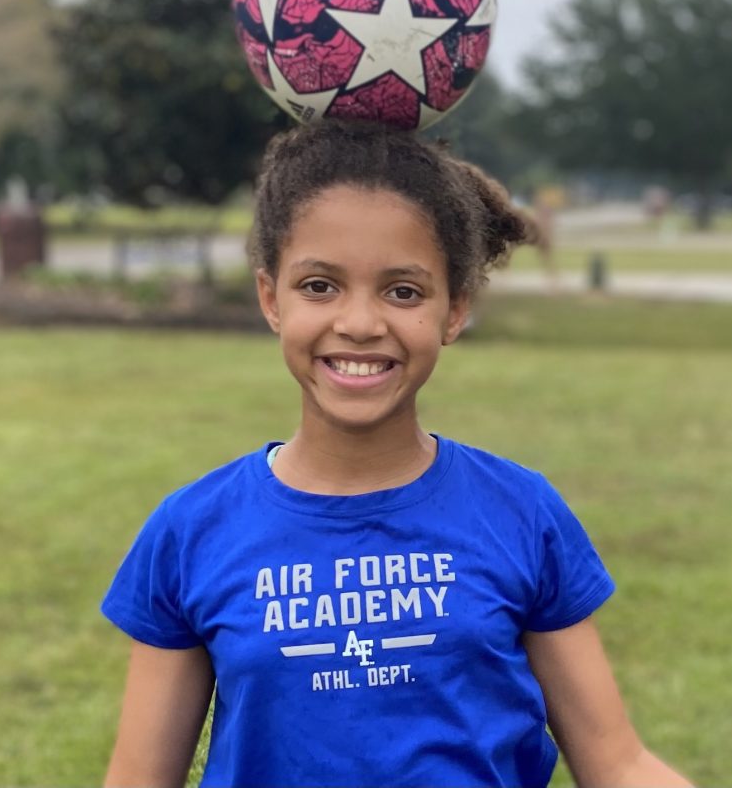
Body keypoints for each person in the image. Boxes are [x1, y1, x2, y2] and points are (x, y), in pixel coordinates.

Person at [102, 120, 694, 788]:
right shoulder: (192, 531)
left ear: (454, 310)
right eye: (319, 285)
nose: (359, 323)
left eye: (402, 291)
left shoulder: (520, 511)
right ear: (271, 298)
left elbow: (616, 763)